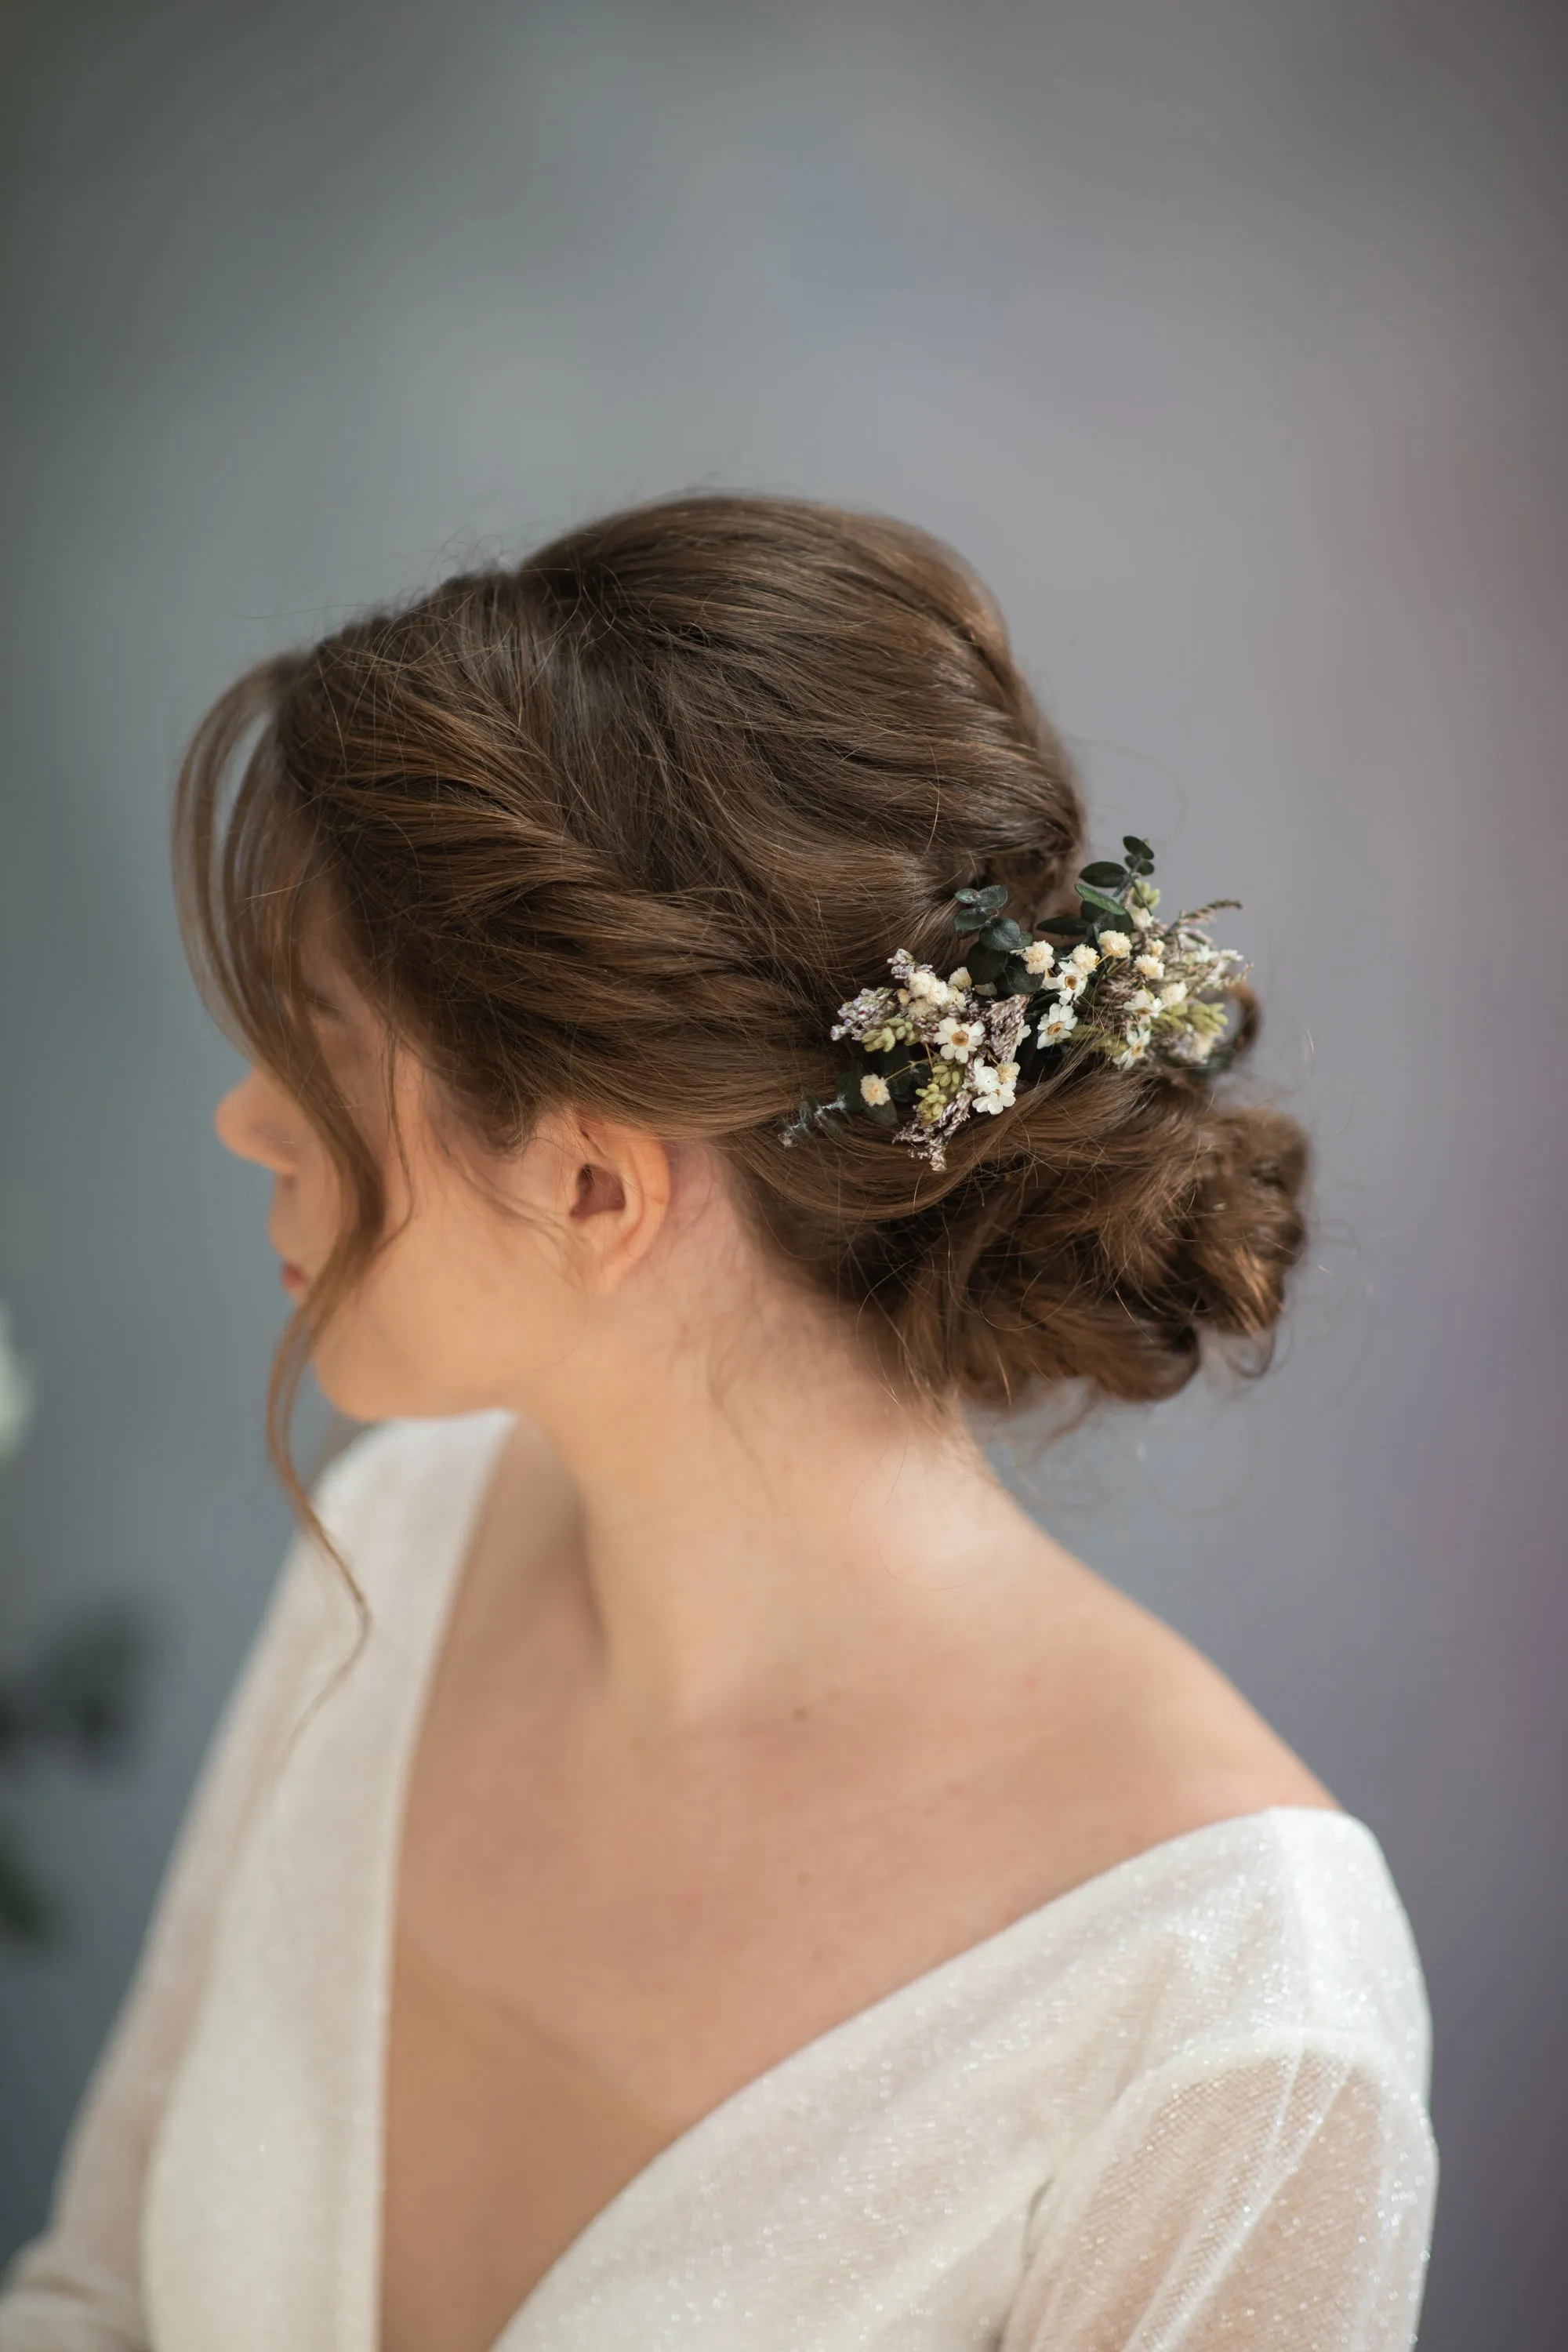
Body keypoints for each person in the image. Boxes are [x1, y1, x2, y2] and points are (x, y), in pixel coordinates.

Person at [0, 494, 1437, 2351]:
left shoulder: (1233, 2015)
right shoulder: (407, 1544)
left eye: (328, 1039)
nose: (245, 1121)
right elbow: (99, 2297)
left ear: (599, 1190)